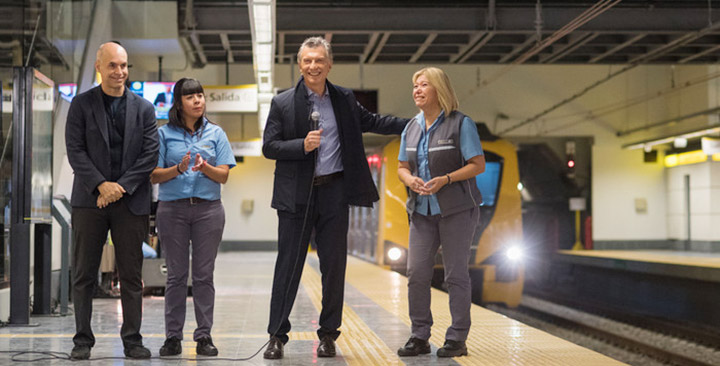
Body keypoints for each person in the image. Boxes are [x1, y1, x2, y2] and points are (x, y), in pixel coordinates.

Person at [262, 36, 409, 360]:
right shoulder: (283, 102)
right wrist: (301, 145)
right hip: (295, 197)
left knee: (334, 267)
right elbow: (269, 147)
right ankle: (276, 336)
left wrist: (413, 125)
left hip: (333, 192)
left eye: (319, 60)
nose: (313, 66)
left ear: (329, 65)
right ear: (299, 65)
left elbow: (372, 121)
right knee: (287, 267)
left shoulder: (343, 98)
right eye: (307, 61)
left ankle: (328, 335)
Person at [65, 42, 159, 360]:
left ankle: (132, 340)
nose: (120, 72)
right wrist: (101, 186)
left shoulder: (144, 109)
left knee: (131, 275)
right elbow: (75, 150)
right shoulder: (80, 105)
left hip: (130, 202)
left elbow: (149, 156)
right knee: (83, 274)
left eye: (124, 66)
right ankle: (82, 341)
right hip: (89, 200)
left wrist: (119, 187)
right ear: (99, 67)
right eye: (113, 66)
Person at [395, 67, 485, 358]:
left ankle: (457, 338)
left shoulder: (461, 124)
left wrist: (445, 179)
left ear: (439, 90)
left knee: (456, 274)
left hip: (457, 210)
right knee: (416, 273)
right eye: (415, 86)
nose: (417, 90)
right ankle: (420, 336)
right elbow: (402, 167)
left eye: (424, 85)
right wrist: (411, 180)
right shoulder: (411, 127)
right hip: (421, 211)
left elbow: (477, 164)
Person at [150, 78, 235, 357]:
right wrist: (179, 168)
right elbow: (153, 174)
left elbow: (223, 174)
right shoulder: (164, 134)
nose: (198, 100)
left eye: (200, 95)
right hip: (172, 210)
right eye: (191, 97)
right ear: (179, 103)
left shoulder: (216, 133)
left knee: (203, 275)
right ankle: (173, 337)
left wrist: (204, 167)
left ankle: (204, 336)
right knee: (176, 275)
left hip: (208, 210)